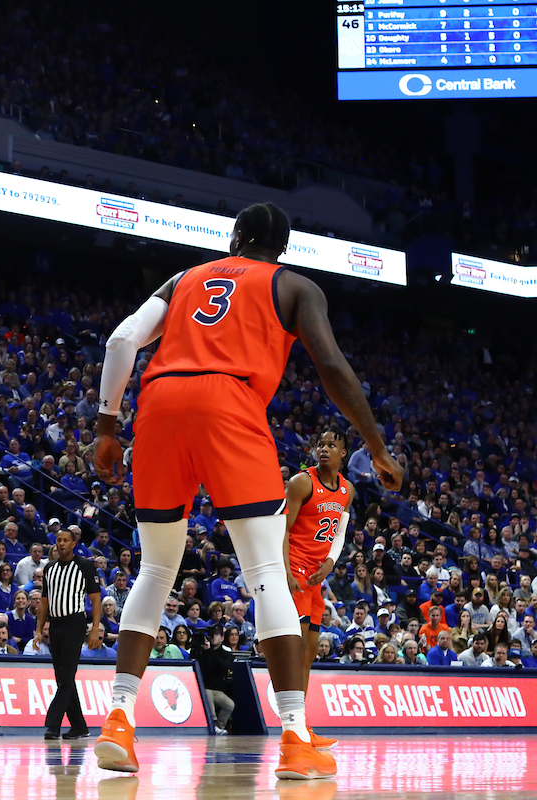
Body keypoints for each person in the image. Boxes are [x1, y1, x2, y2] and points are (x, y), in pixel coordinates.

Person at [92, 202, 403, 778]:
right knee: (264, 572)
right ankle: (293, 737)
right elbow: (330, 365)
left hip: (159, 405)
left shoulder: (184, 277)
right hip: (229, 404)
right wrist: (375, 446)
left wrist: (107, 428)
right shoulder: (294, 285)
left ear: (233, 238)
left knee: (156, 570)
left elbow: (119, 342)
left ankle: (117, 720)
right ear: (282, 249)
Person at [282, 427, 353, 751]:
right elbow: (280, 529)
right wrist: (285, 569)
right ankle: (292, 725)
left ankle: (303, 724)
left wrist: (332, 561)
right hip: (295, 568)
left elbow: (339, 532)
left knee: (310, 654)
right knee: (296, 651)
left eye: (331, 445)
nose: (324, 449)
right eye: (320, 444)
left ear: (343, 454)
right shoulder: (301, 482)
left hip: (317, 576)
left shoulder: (347, 490)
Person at [36, 527, 102, 741]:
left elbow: (95, 600)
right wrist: (39, 630)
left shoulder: (84, 565)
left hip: (75, 623)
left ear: (74, 543)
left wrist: (94, 629)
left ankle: (52, 724)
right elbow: (44, 602)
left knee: (65, 677)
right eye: (58, 540)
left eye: (65, 540)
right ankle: (79, 726)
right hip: (55, 625)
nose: (61, 543)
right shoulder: (50, 568)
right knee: (62, 677)